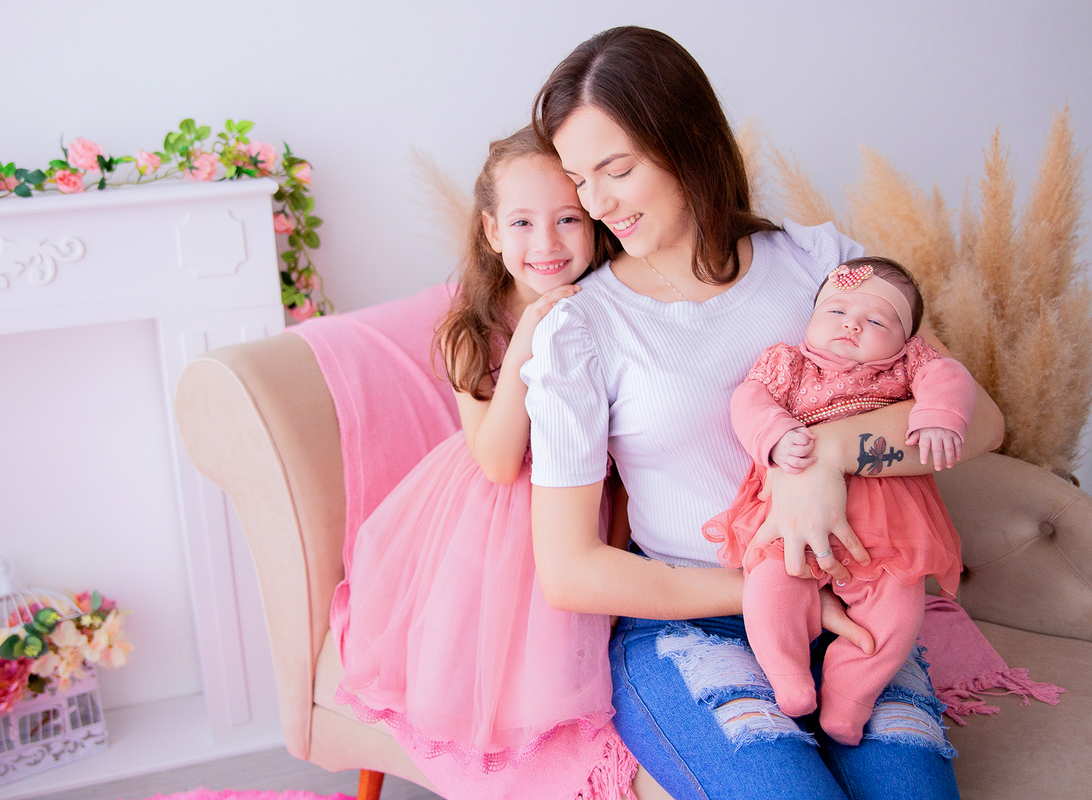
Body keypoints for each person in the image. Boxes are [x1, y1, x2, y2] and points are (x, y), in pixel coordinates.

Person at [522, 26, 1003, 800]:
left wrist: (824, 455)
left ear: (687, 142)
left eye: (618, 169)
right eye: (581, 179)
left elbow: (977, 424)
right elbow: (569, 569)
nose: (598, 202)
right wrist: (777, 591)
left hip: (858, 603)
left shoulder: (818, 264)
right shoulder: (582, 327)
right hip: (691, 621)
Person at [330, 127, 637, 800]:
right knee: (511, 652)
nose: (548, 243)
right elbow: (497, 460)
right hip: (495, 516)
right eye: (524, 222)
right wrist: (530, 336)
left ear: (595, 222)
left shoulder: (618, 305)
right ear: (493, 231)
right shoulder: (472, 329)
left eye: (568, 219)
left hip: (595, 501)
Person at [702, 256, 976, 746]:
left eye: (875, 320)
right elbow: (749, 401)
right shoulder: (788, 362)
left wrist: (938, 415)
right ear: (809, 319)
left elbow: (950, 377)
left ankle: (850, 697)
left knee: (896, 613)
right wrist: (775, 433)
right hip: (792, 501)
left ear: (905, 339)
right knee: (770, 585)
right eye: (836, 311)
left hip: (886, 519)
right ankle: (788, 677)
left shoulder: (911, 364)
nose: (852, 324)